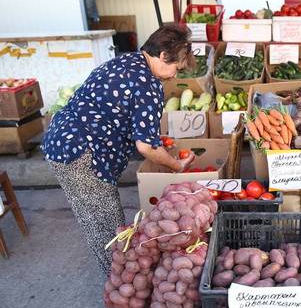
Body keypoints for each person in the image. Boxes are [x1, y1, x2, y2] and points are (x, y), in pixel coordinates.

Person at [42, 23, 196, 276]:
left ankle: (121, 278)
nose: (174, 77)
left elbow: (126, 118)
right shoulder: (149, 84)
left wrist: (155, 139)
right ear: (163, 56)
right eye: (175, 69)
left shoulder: (124, 61)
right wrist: (176, 165)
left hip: (62, 141)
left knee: (99, 217)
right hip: (82, 152)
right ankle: (120, 288)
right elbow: (145, 147)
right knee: (104, 223)